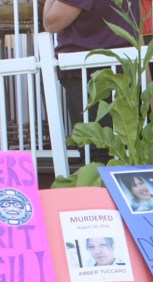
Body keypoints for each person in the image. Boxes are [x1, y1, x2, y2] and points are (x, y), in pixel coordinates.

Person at [42, 0, 139, 162]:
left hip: (88, 75)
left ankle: (99, 187)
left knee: (96, 152)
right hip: (123, 71)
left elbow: (51, 22)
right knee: (122, 149)